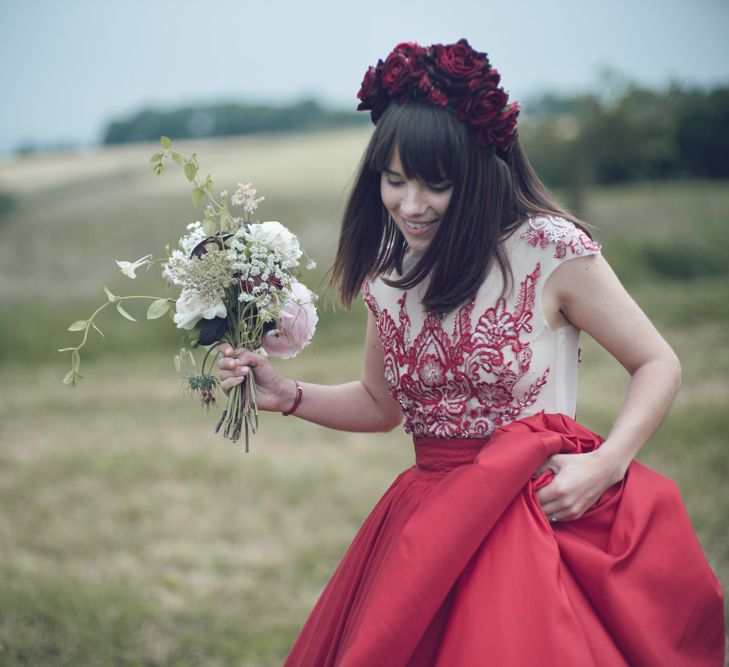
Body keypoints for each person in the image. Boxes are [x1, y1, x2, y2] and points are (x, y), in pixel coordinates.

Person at [219, 40, 725, 666]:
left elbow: (658, 364)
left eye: (436, 185)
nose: (410, 205)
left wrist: (608, 464)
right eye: (394, 180)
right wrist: (288, 395)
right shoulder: (388, 274)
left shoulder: (549, 249)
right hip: (427, 523)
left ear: (479, 171)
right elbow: (381, 404)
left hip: (537, 513)